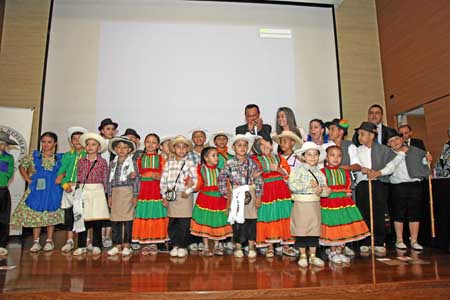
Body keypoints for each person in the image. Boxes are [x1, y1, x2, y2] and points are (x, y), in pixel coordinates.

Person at [349, 122, 404, 254]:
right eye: (359, 134)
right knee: (364, 211)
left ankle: (378, 241)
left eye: (362, 134)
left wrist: (378, 173)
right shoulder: (356, 150)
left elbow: (391, 166)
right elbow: (355, 165)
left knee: (378, 211)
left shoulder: (383, 150)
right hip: (362, 184)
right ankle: (365, 240)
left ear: (371, 135)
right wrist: (362, 169)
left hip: (378, 183)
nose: (359, 136)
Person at [12, 132, 63, 252]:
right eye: (44, 142)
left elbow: (64, 170)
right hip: (38, 189)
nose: (46, 144)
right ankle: (36, 241)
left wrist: (61, 178)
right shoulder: (35, 156)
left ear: (55, 143)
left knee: (51, 213)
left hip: (53, 189)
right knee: (37, 213)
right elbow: (21, 166)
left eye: (49, 142)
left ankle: (49, 240)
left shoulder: (59, 158)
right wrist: (28, 179)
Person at [381, 129, 431, 251]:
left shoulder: (415, 150)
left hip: (415, 185)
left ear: (402, 139)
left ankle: (414, 240)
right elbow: (388, 169)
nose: (395, 142)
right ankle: (399, 239)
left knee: (415, 214)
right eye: (391, 141)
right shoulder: (388, 155)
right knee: (399, 214)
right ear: (388, 144)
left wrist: (427, 159)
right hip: (398, 186)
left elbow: (423, 162)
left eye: (397, 139)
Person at [320, 146, 370, 264]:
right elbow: (323, 188)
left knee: (344, 227)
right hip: (330, 204)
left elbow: (347, 187)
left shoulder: (345, 172)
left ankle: (340, 250)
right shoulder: (322, 172)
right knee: (333, 227)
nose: (336, 158)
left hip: (344, 203)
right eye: (332, 155)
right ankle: (332, 251)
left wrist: (346, 193)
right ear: (326, 157)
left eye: (339, 155)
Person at [218, 133, 262, 259]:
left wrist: (258, 196)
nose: (242, 148)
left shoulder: (253, 163)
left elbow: (259, 180)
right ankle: (238, 246)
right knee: (238, 222)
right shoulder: (229, 163)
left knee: (251, 221)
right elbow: (221, 178)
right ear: (234, 147)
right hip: (236, 194)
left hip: (251, 194)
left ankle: (251, 246)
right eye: (239, 145)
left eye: (245, 145)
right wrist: (226, 193)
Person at [288, 142, 330, 268]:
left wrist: (321, 191)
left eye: (315, 155)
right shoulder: (297, 170)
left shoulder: (319, 172)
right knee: (301, 230)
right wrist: (308, 186)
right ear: (303, 157)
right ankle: (302, 255)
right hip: (301, 204)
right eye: (309, 154)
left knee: (314, 230)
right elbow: (292, 185)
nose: (312, 157)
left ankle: (312, 255)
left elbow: (325, 189)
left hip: (315, 204)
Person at [251, 138, 294, 257]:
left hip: (281, 190)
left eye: (267, 143)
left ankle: (286, 245)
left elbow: (288, 173)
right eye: (261, 144)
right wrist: (268, 168)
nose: (265, 146)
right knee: (269, 215)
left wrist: (279, 170)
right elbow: (252, 175)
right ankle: (270, 246)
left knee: (284, 214)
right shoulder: (254, 159)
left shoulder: (279, 157)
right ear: (257, 147)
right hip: (267, 190)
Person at [190, 147, 233, 256]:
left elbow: (226, 184)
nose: (216, 158)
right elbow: (197, 185)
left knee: (217, 221)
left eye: (217, 155)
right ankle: (205, 246)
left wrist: (228, 197)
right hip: (205, 200)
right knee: (206, 221)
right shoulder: (201, 169)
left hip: (219, 200)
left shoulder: (221, 170)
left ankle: (217, 246)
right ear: (206, 158)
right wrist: (191, 185)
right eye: (213, 155)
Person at [72, 133, 110, 256]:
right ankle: (82, 245)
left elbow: (105, 178)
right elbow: (79, 177)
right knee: (83, 219)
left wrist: (107, 194)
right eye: (88, 144)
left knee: (97, 220)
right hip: (85, 190)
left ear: (98, 148)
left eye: (93, 145)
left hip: (98, 191)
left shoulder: (102, 162)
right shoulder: (81, 161)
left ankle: (96, 244)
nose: (90, 147)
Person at [160, 135, 198, 258]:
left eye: (184, 147)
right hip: (172, 195)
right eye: (178, 147)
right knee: (173, 222)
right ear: (173, 149)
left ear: (187, 149)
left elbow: (196, 180)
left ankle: (182, 246)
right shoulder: (168, 164)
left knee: (184, 222)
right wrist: (164, 196)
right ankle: (175, 245)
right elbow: (163, 180)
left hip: (184, 196)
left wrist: (188, 191)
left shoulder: (190, 163)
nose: (181, 150)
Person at [132, 133, 168, 255]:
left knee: (155, 216)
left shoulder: (162, 159)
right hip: (143, 192)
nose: (150, 144)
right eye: (148, 142)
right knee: (144, 215)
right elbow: (135, 177)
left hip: (156, 191)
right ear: (144, 143)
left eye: (153, 142)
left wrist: (158, 176)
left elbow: (166, 176)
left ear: (158, 145)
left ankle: (154, 243)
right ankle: (145, 242)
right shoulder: (139, 159)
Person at [56, 126, 87, 253]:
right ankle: (69, 240)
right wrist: (65, 185)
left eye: (80, 139)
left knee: (82, 215)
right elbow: (60, 174)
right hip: (68, 187)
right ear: (71, 141)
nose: (77, 141)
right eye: (74, 139)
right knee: (69, 215)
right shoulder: (67, 156)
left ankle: (84, 241)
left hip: (82, 187)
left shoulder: (88, 155)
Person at [107, 136, 140, 257]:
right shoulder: (112, 164)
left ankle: (126, 244)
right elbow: (109, 181)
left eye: (125, 147)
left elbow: (137, 180)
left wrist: (135, 195)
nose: (121, 150)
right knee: (115, 219)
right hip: (115, 192)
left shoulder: (133, 163)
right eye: (119, 147)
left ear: (129, 150)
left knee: (127, 219)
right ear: (115, 149)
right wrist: (109, 195)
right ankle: (116, 244)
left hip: (127, 192)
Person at [98, 118, 118, 248]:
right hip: (99, 182)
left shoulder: (117, 145)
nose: (111, 131)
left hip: (113, 182)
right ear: (101, 131)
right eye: (108, 129)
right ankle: (99, 235)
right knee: (101, 209)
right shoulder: (98, 145)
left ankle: (107, 236)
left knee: (111, 208)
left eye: (112, 129)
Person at [0, 131, 17, 256]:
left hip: (2, 190)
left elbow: (8, 174)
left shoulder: (8, 158)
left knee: (3, 219)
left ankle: (1, 244)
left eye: (3, 144)